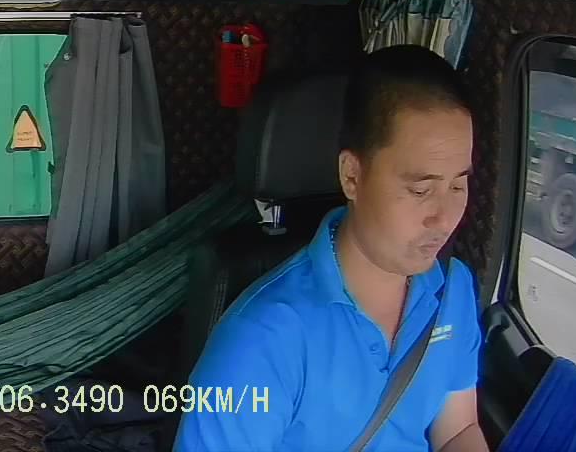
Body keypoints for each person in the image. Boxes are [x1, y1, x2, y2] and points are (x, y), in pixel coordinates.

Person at [175, 45, 489, 451]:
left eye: (458, 186)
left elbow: (458, 430)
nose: (444, 218)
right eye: (420, 190)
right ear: (352, 176)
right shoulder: (260, 340)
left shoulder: (452, 290)